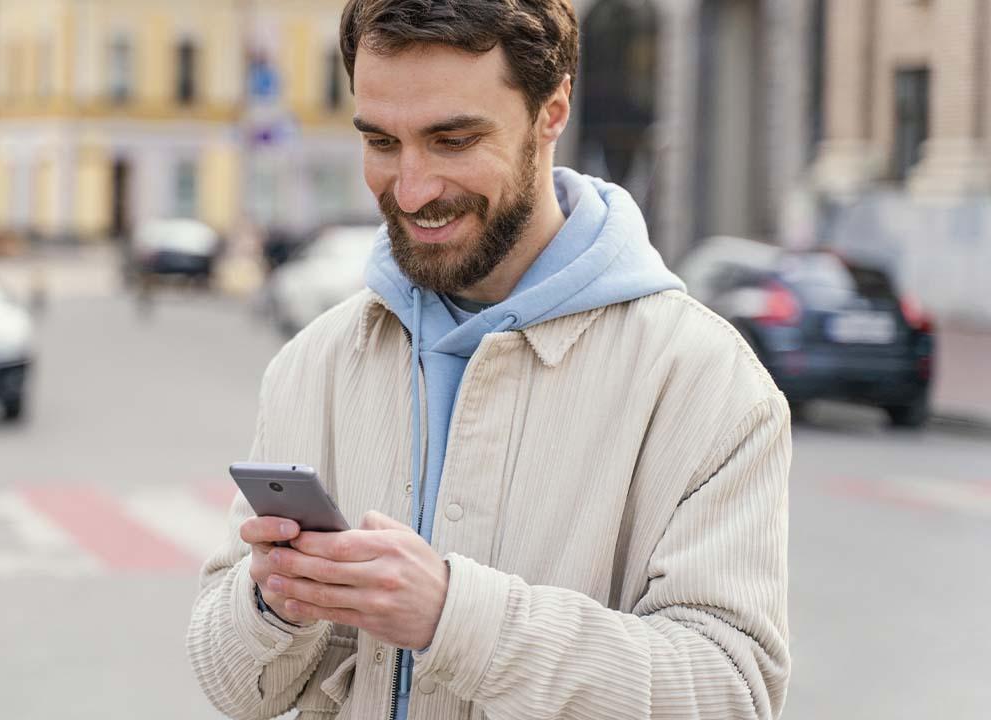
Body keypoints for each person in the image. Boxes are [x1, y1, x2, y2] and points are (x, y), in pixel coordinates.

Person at [187, 1, 791, 718]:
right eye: (382, 142)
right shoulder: (312, 364)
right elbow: (231, 689)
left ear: (552, 111)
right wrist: (273, 603)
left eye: (452, 140)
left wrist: (455, 618)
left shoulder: (706, 382)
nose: (411, 190)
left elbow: (729, 694)